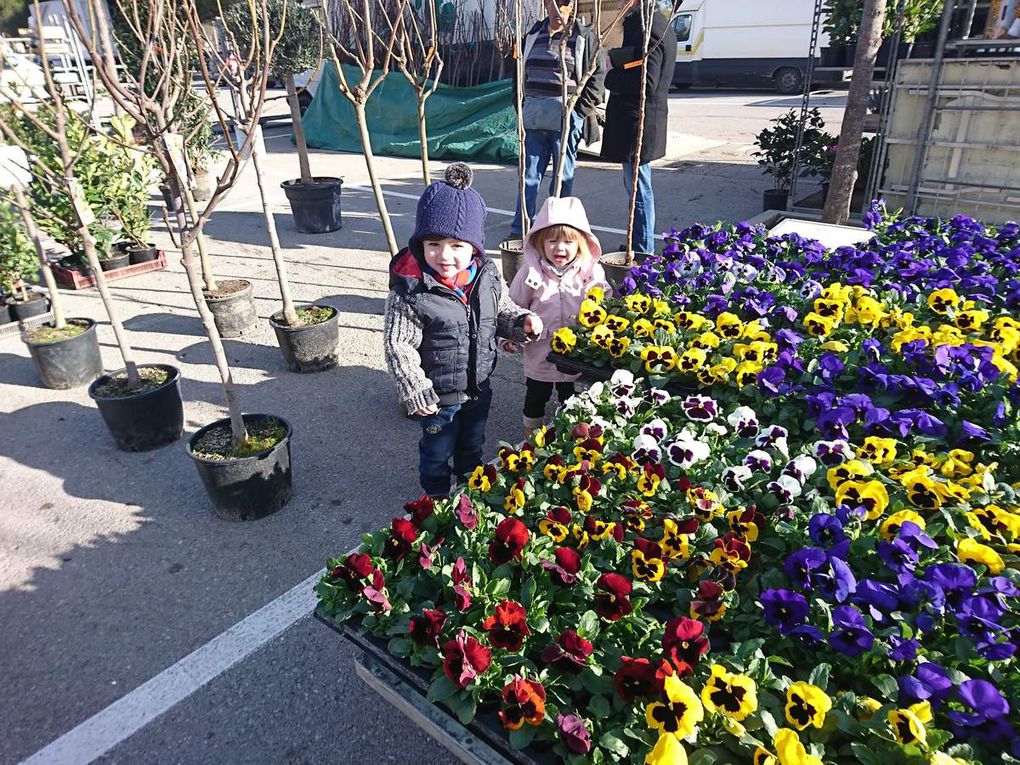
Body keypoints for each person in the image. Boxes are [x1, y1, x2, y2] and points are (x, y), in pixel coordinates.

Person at [385, 162, 543, 498]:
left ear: (475, 247)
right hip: (437, 397)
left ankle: (470, 491)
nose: (444, 255)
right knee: (436, 453)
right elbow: (398, 346)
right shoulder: (410, 290)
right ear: (420, 244)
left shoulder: (486, 275)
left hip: (479, 385)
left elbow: (499, 309)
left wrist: (519, 323)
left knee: (473, 444)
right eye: (434, 244)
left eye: (457, 245)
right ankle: (436, 500)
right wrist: (414, 386)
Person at [507, 196, 608, 437]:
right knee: (536, 395)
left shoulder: (590, 272)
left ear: (582, 243)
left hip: (575, 354)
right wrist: (509, 335)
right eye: (552, 241)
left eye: (567, 242)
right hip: (540, 351)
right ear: (540, 242)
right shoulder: (531, 273)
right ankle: (531, 436)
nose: (559, 248)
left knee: (571, 397)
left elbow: (603, 303)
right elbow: (513, 307)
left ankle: (570, 438)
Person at [508, 0, 605, 238]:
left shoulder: (583, 36)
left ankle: (557, 230)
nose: (560, 8)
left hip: (566, 119)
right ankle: (520, 230)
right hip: (534, 118)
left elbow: (597, 78)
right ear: (546, 5)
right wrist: (520, 107)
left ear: (572, 8)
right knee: (529, 176)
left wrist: (578, 111)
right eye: (555, 3)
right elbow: (517, 75)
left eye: (566, 4)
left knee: (562, 179)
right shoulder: (532, 35)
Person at [600, 0, 677, 256]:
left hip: (638, 123)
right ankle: (638, 242)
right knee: (636, 187)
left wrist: (610, 75)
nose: (619, 4)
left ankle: (644, 249)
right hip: (636, 121)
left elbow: (648, 81)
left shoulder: (650, 28)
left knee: (639, 189)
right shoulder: (647, 24)